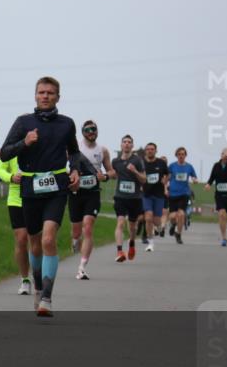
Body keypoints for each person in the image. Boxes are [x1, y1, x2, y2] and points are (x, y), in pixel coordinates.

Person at [0, 76, 80, 317]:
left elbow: (74, 152)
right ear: (35, 95)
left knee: (47, 240)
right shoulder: (23, 122)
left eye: (50, 93)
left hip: (56, 186)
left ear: (58, 97)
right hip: (30, 188)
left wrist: (74, 169)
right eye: (41, 92)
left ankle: (47, 297)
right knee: (34, 244)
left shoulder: (67, 124)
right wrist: (25, 142)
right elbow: (4, 154)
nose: (45, 96)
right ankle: (37, 284)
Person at [67, 120, 112, 280]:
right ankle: (74, 240)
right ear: (83, 132)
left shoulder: (103, 150)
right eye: (88, 130)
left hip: (93, 193)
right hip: (75, 193)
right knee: (77, 231)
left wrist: (105, 176)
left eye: (94, 129)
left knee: (88, 228)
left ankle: (82, 267)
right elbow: (61, 164)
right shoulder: (74, 147)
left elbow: (112, 172)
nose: (91, 132)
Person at [0, 156, 32, 295]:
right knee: (21, 239)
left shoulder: (39, 142)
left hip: (36, 197)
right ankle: (25, 279)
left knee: (37, 240)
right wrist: (11, 177)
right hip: (16, 200)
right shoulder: (13, 147)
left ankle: (39, 276)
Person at [111, 135, 146, 263]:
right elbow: (113, 175)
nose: (126, 144)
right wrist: (107, 175)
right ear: (121, 145)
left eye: (129, 142)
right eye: (124, 142)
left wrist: (135, 171)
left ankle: (131, 243)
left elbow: (144, 179)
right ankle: (120, 251)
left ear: (132, 146)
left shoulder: (137, 160)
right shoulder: (115, 161)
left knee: (132, 227)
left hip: (134, 198)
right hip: (120, 197)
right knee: (120, 223)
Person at [140, 143, 169, 252]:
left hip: (159, 195)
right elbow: (136, 174)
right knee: (148, 217)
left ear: (156, 151)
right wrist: (140, 185)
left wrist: (165, 181)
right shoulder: (141, 163)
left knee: (156, 221)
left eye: (152, 149)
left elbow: (168, 174)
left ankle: (160, 227)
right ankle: (150, 242)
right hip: (146, 194)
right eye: (148, 149)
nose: (150, 151)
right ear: (145, 151)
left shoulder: (161, 163)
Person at [166, 146, 198, 244]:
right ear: (176, 155)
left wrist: (195, 180)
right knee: (172, 216)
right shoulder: (172, 166)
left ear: (185, 155)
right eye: (179, 154)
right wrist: (165, 188)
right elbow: (165, 179)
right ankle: (173, 225)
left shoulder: (189, 167)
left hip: (184, 194)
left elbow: (194, 177)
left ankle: (178, 234)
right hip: (173, 194)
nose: (181, 156)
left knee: (181, 214)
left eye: (183, 154)